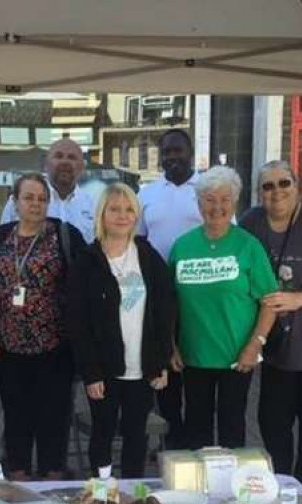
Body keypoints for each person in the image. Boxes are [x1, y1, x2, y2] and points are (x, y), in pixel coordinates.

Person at [0, 172, 88, 480]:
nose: (36, 204)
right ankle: (18, 472)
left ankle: (52, 472)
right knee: (16, 414)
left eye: (42, 199)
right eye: (29, 197)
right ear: (15, 202)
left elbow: (80, 288)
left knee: (54, 415)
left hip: (54, 346)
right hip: (7, 346)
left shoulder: (65, 236)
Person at [68, 184, 174, 478]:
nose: (122, 215)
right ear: (102, 214)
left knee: (135, 433)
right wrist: (91, 372)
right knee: (102, 433)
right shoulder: (86, 262)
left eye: (129, 209)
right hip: (104, 370)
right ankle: (102, 490)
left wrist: (162, 361)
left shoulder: (147, 255)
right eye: (114, 209)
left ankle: (131, 490)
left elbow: (164, 310)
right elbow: (78, 323)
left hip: (142, 368)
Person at [239, 160, 302, 489]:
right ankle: (282, 487)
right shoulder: (251, 222)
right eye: (268, 186)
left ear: (297, 187)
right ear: (258, 193)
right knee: (272, 421)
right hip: (277, 344)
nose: (276, 191)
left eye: (284, 183)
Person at [170, 166, 278, 451]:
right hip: (193, 357)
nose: (217, 206)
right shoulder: (182, 247)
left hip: (237, 357)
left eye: (225, 199)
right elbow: (167, 304)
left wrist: (255, 345)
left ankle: (232, 491)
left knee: (232, 429)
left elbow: (270, 301)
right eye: (209, 199)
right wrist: (170, 344)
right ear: (198, 203)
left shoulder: (248, 245)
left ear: (235, 203)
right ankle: (198, 492)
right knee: (196, 429)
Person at [136, 128, 202, 449]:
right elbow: (138, 242)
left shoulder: (207, 189)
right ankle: (174, 449)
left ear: (191, 152)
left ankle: (198, 445)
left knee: (198, 380)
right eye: (167, 152)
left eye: (179, 151)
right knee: (167, 379)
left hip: (200, 299)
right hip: (160, 299)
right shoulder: (146, 194)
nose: (173, 157)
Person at [0, 138, 96, 243]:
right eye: (58, 156)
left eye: (72, 157)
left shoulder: (93, 206)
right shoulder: (19, 202)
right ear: (45, 164)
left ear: (82, 167)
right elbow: (3, 244)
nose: (65, 161)